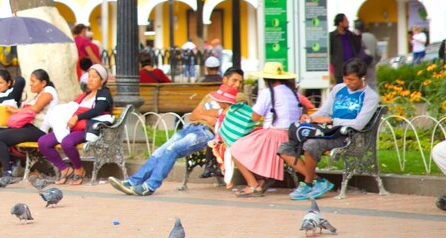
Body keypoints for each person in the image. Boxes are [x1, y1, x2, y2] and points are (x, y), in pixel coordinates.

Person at [109, 68, 245, 196]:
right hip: (191, 127)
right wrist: (208, 116)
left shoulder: (239, 98)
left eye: (240, 82)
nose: (238, 85)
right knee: (160, 151)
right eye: (234, 80)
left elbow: (225, 119)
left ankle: (150, 186)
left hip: (206, 133)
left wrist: (206, 115)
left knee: (173, 149)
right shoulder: (211, 96)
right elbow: (194, 115)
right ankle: (133, 182)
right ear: (225, 80)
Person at [277, 58, 379, 200]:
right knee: (284, 148)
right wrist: (310, 118)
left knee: (310, 145)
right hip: (327, 132)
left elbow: (359, 123)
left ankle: (307, 183)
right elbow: (324, 111)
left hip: (347, 136)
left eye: (351, 79)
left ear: (362, 77)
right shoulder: (339, 89)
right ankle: (319, 181)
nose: (348, 83)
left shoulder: (370, 97)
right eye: (345, 78)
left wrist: (332, 120)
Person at [230, 62, 306, 196]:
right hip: (291, 134)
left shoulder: (267, 92)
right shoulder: (292, 92)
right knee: (251, 143)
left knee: (235, 148)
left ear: (266, 79)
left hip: (274, 135)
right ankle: (261, 180)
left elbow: (255, 116)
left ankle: (253, 185)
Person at [38, 63, 114, 185]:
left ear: (102, 80)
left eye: (94, 77)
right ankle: (65, 169)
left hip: (86, 128)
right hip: (72, 126)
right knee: (43, 142)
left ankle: (79, 169)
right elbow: (71, 107)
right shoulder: (85, 94)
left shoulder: (104, 93)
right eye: (89, 76)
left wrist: (77, 116)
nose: (90, 79)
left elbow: (97, 110)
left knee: (66, 142)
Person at [0, 69, 59, 183]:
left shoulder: (49, 91)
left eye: (33, 81)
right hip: (29, 126)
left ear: (43, 83)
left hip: (39, 129)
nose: (30, 84)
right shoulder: (39, 94)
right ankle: (9, 167)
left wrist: (16, 110)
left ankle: (7, 172)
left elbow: (36, 108)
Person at [328, 13, 362, 85]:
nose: (348, 22)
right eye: (346, 20)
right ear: (340, 23)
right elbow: (329, 52)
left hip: (352, 68)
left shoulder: (351, 35)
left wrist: (358, 36)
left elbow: (357, 48)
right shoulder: (332, 36)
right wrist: (334, 62)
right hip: (339, 70)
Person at [351, 19, 380, 90]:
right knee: (372, 85)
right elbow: (378, 53)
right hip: (371, 65)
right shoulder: (372, 36)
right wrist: (374, 62)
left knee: (360, 85)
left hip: (359, 65)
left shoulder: (355, 37)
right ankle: (373, 100)